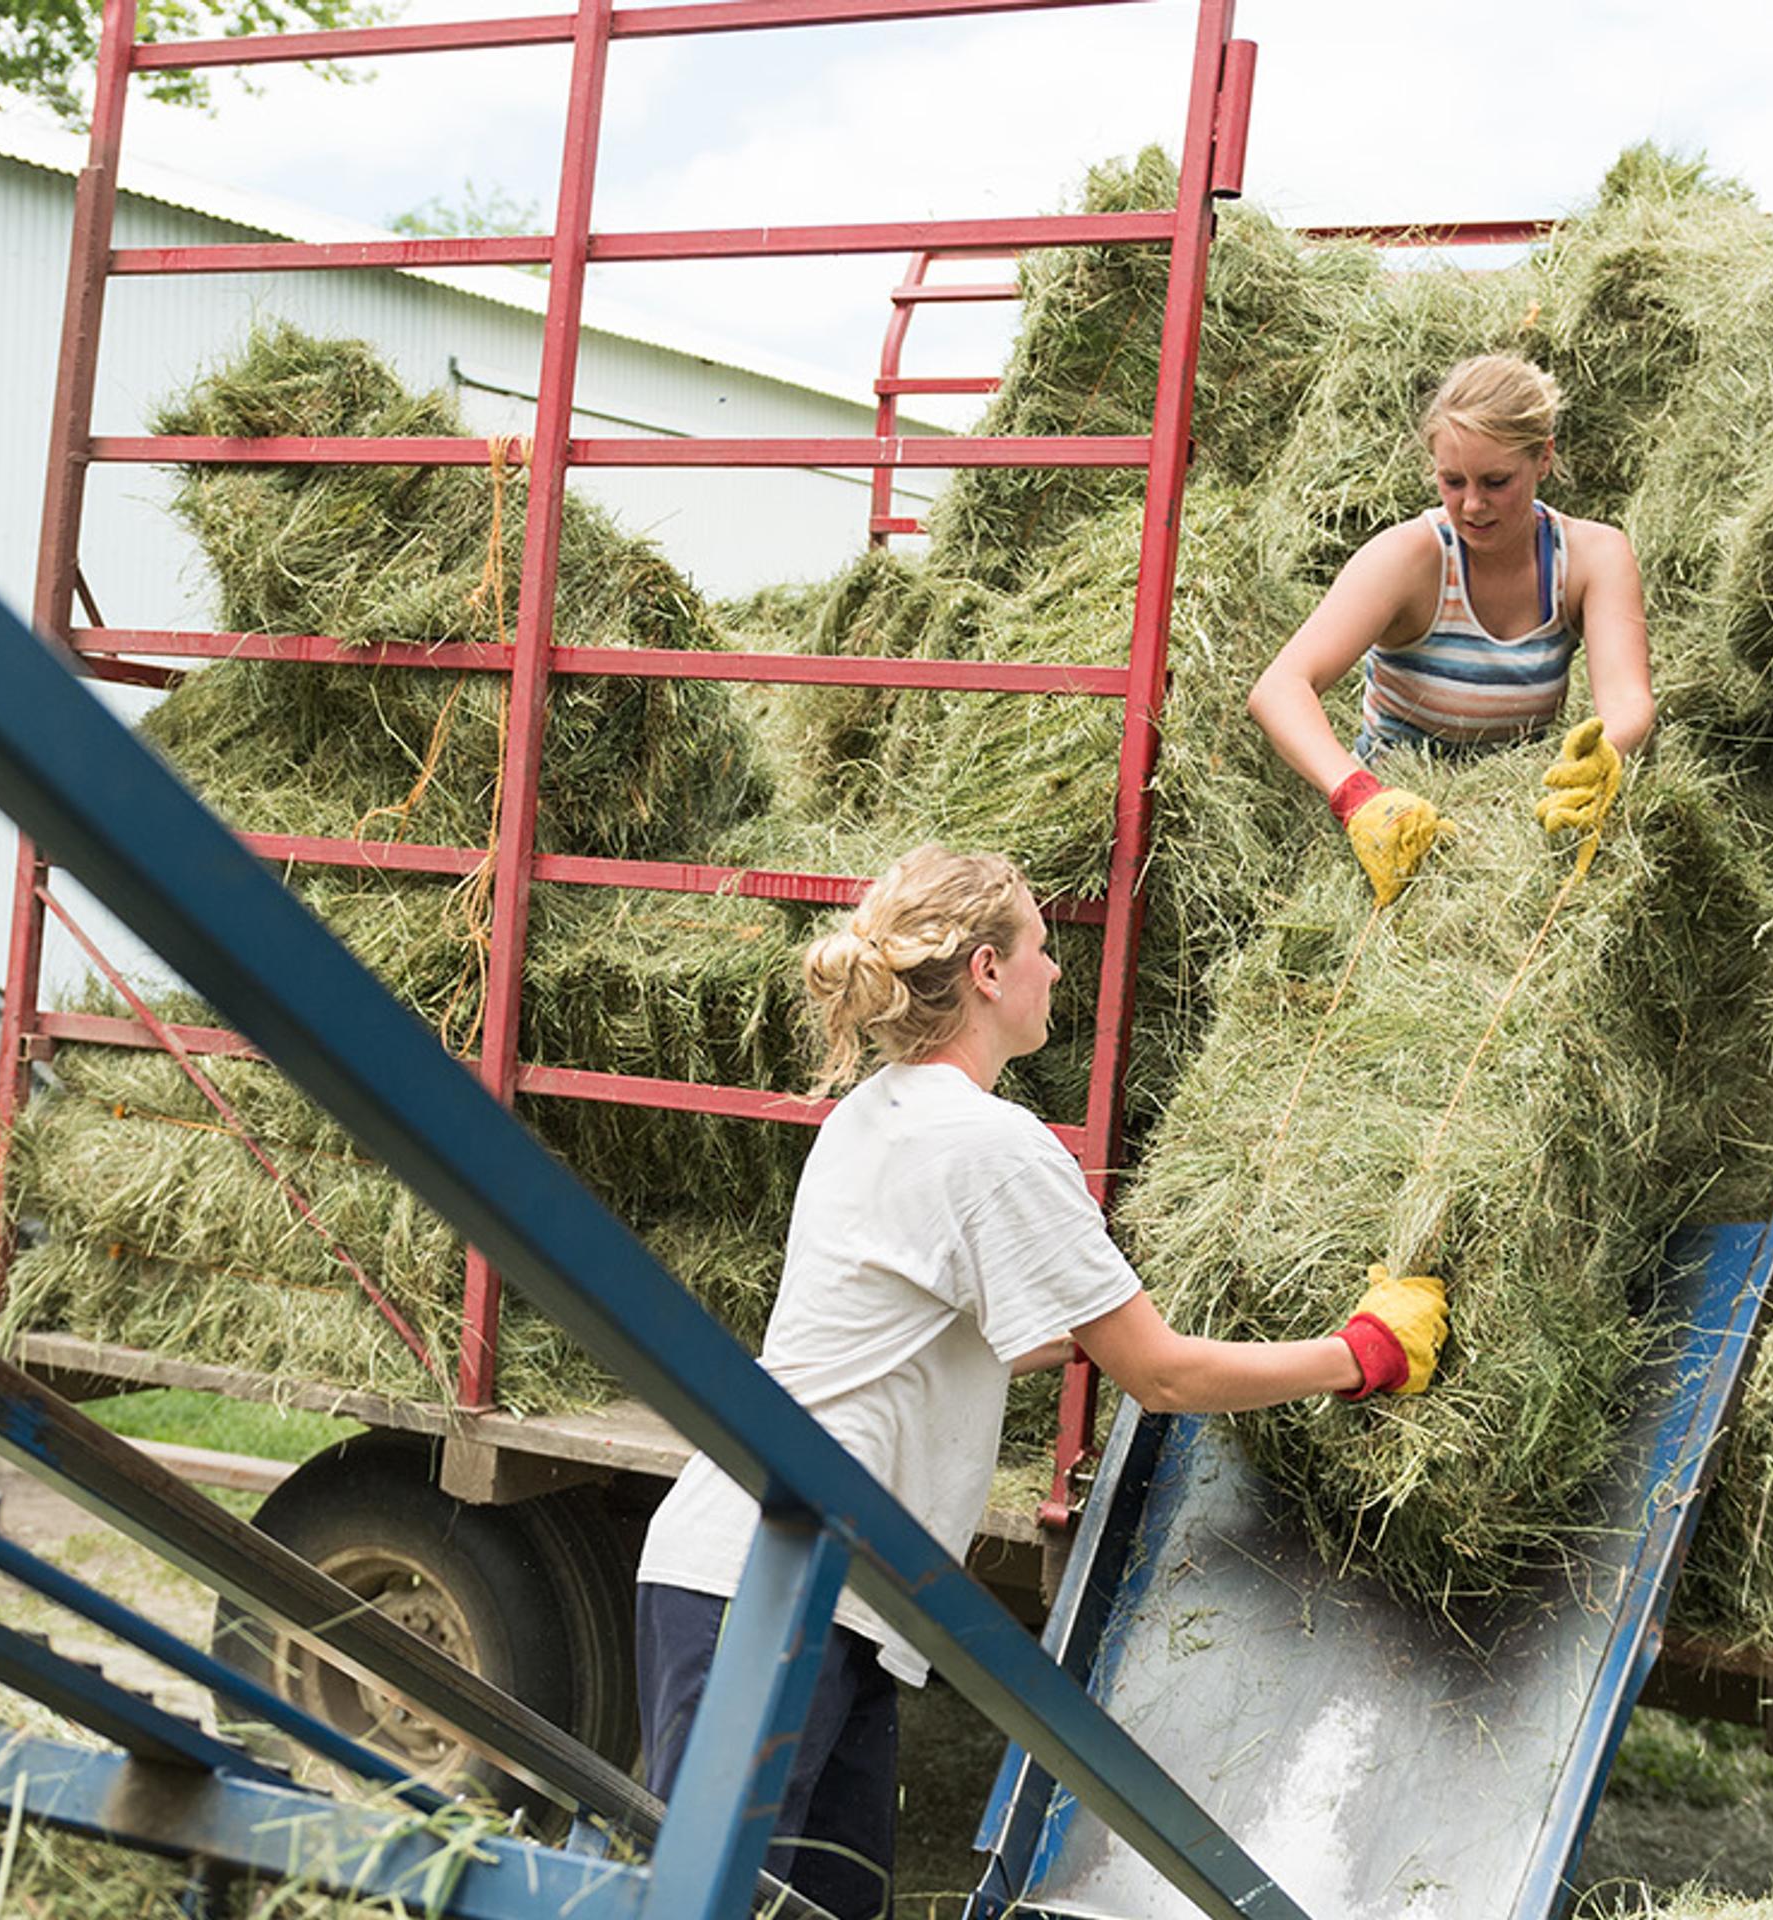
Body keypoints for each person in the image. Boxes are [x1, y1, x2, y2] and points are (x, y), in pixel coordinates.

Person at [630, 845, 1451, 1918]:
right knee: (704, 1908)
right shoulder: (992, 1144)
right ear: (985, 970)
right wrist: (1362, 1356)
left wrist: (1123, 1324)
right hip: (771, 1585)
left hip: (804, 1584)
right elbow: (1161, 1376)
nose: (1057, 972)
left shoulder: (877, 1113)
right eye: (1043, 948)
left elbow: (991, 1335)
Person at [1247, 353, 1656, 907]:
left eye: (1496, 481)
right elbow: (1279, 688)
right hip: (1396, 835)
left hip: (1516, 827)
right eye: (1452, 480)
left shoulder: (1590, 556)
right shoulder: (1411, 558)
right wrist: (1359, 797)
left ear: (1544, 459)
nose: (1472, 504)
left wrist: (1601, 754)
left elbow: (1628, 699)